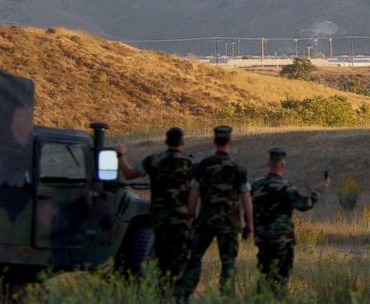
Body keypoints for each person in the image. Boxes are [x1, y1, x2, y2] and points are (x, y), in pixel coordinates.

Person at [116, 127, 194, 295]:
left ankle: (160, 296)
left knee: (161, 263)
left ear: (166, 142)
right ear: (182, 142)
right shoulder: (190, 164)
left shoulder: (153, 161)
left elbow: (129, 174)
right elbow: (198, 191)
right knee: (180, 262)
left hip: (159, 221)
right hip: (181, 223)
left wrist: (121, 155)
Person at [179, 126, 253, 301]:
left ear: (214, 142)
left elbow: (194, 193)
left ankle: (183, 296)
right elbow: (246, 196)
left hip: (206, 222)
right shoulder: (238, 168)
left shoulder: (204, 165)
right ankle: (226, 299)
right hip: (229, 224)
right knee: (228, 265)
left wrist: (191, 216)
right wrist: (249, 222)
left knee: (194, 259)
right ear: (230, 142)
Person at [251, 147, 330, 298]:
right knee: (280, 283)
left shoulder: (256, 186)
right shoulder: (286, 188)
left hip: (262, 241)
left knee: (263, 280)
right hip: (282, 243)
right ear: (282, 165)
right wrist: (318, 190)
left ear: (269, 164)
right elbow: (305, 204)